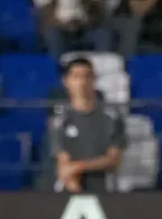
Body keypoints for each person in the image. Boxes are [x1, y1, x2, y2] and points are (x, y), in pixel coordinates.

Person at [47, 57, 126, 192]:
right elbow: (63, 164)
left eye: (87, 76)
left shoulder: (112, 117)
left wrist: (79, 166)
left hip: (106, 189)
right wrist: (77, 192)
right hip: (70, 188)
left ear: (94, 80)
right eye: (76, 77)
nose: (82, 82)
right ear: (66, 81)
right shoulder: (59, 120)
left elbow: (113, 160)